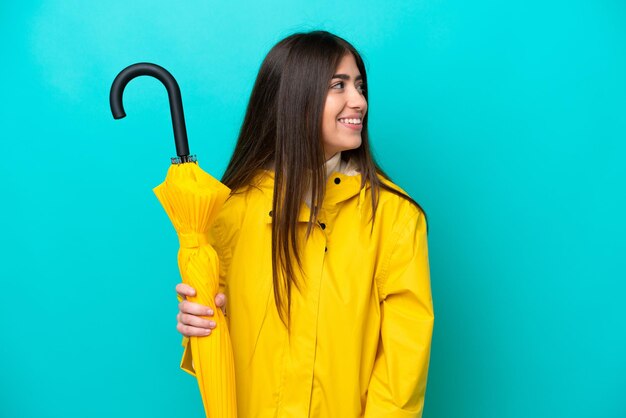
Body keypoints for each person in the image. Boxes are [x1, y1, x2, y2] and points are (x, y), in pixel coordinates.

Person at [174, 30, 434, 417]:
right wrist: (199, 327)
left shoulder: (393, 218)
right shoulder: (229, 212)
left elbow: (401, 374)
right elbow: (217, 357)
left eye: (360, 86)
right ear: (293, 98)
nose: (358, 101)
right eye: (338, 86)